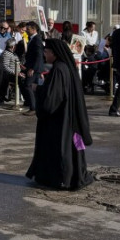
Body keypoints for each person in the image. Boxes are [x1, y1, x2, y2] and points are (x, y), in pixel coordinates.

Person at [26, 38, 94, 190]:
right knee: (75, 148)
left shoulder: (58, 69)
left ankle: (62, 179)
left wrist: (38, 89)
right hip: (71, 118)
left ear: (54, 53)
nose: (44, 54)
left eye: (47, 51)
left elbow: (52, 98)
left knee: (61, 150)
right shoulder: (66, 67)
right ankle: (75, 176)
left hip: (61, 120)